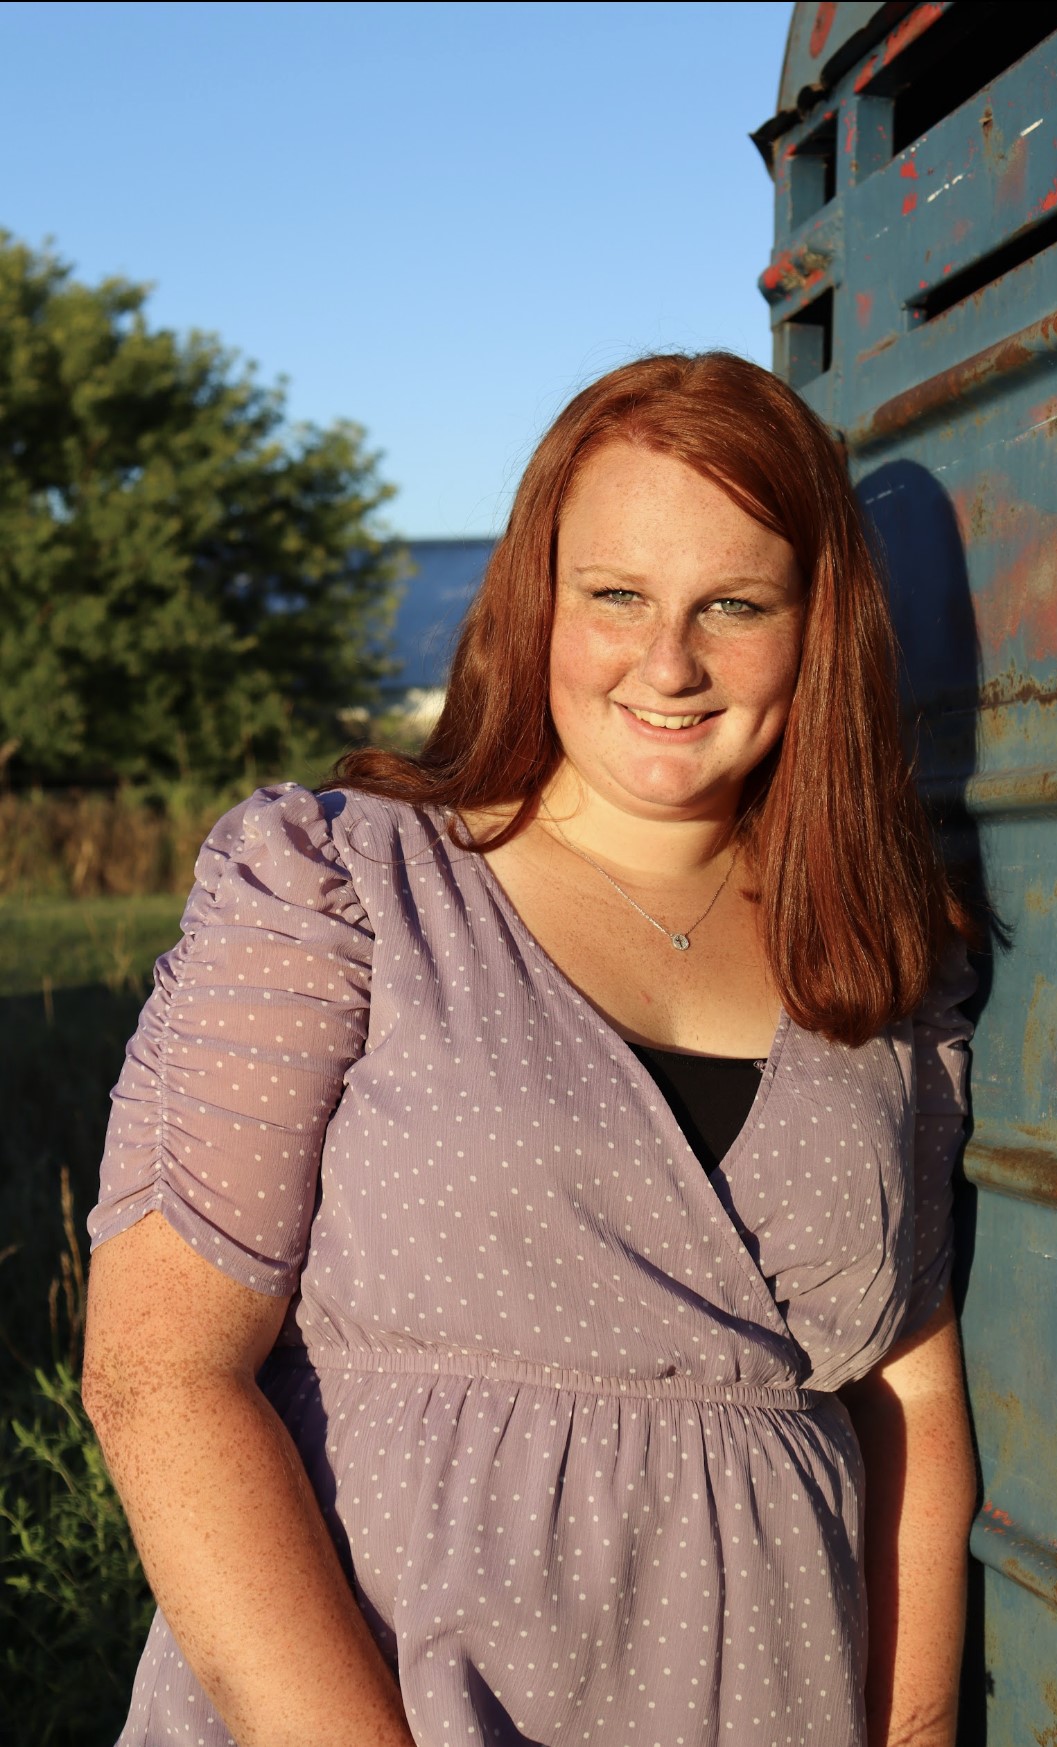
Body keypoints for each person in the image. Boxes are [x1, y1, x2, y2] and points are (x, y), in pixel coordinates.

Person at [84, 350, 977, 1747]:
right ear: (536, 604)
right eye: (613, 596)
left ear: (818, 627)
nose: (667, 663)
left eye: (732, 605)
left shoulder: (873, 968)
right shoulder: (342, 885)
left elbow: (909, 1402)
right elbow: (158, 1374)